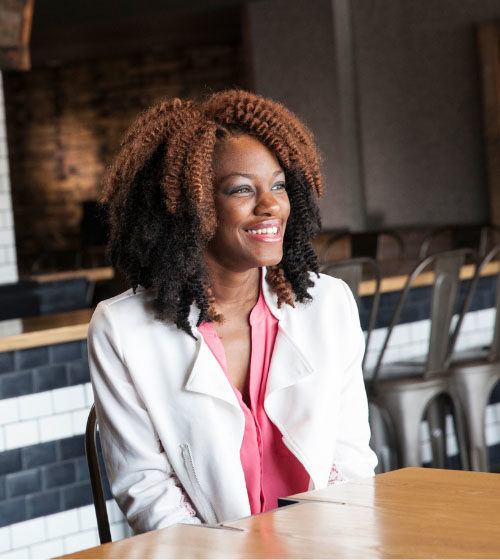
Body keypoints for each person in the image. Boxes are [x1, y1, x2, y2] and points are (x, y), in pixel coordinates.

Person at [88, 89, 377, 535]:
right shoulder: (122, 329)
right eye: (242, 189)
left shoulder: (329, 305)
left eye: (278, 185)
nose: (271, 205)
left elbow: (351, 458)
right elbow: (145, 488)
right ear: (190, 208)